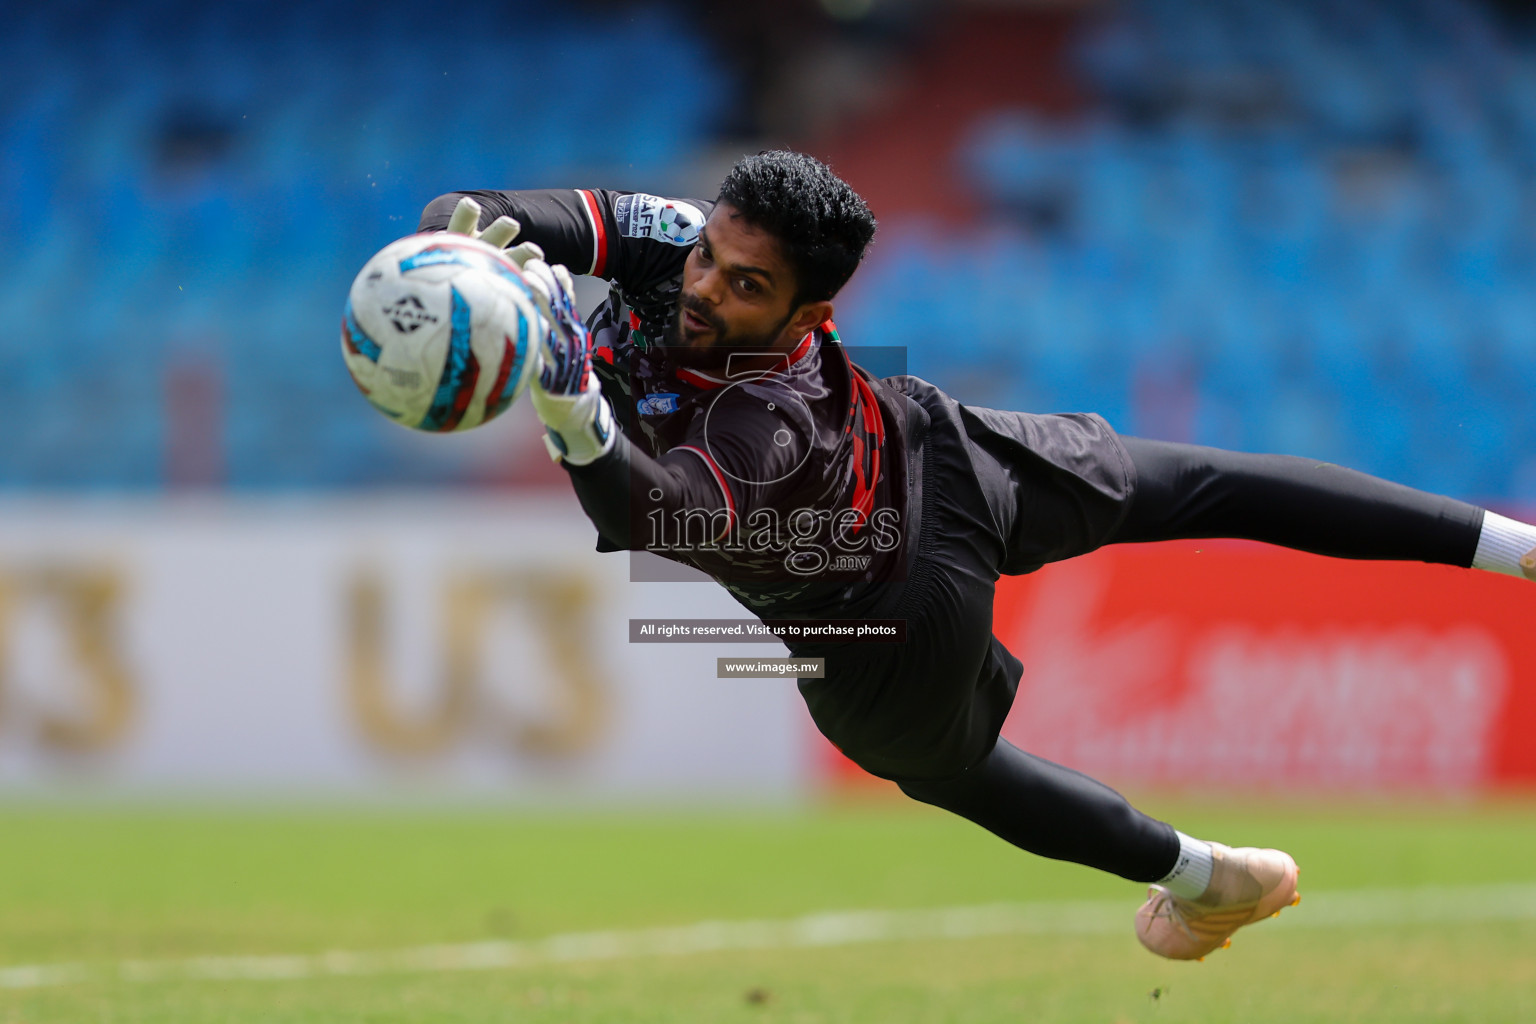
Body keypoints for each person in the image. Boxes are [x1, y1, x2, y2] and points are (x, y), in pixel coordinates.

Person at [416, 150, 1536, 961]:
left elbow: (660, 512)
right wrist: (473, 248)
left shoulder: (772, 423)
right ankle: (1507, 561)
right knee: (1197, 491)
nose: (705, 288)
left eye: (746, 286)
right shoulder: (688, 241)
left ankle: (1208, 872)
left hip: (887, 600)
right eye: (709, 256)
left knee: (956, 763)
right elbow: (505, 210)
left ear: (810, 318)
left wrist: (571, 408)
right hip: (934, 453)